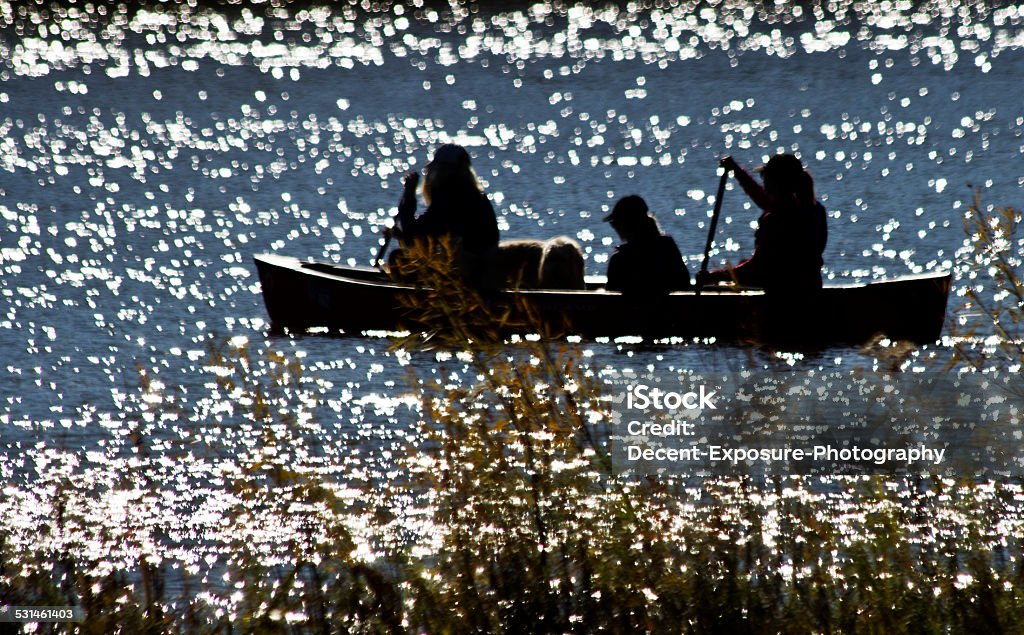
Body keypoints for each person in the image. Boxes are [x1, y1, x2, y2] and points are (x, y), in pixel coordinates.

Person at [700, 153, 827, 294]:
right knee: (742, 263)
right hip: (812, 288)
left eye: (765, 178)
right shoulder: (816, 210)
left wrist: (717, 276)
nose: (764, 183)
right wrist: (736, 170)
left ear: (774, 183)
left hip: (785, 295)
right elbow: (762, 198)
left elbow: (758, 267)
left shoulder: (776, 218)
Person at [392, 144, 500, 282]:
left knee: (398, 259)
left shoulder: (450, 198)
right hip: (480, 269)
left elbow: (414, 235)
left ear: (444, 170)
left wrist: (409, 193)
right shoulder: (475, 195)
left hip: (467, 275)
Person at [604, 195, 692, 294]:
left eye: (614, 223)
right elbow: (684, 283)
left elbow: (611, 295)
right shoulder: (668, 249)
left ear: (626, 224)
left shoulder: (619, 259)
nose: (614, 227)